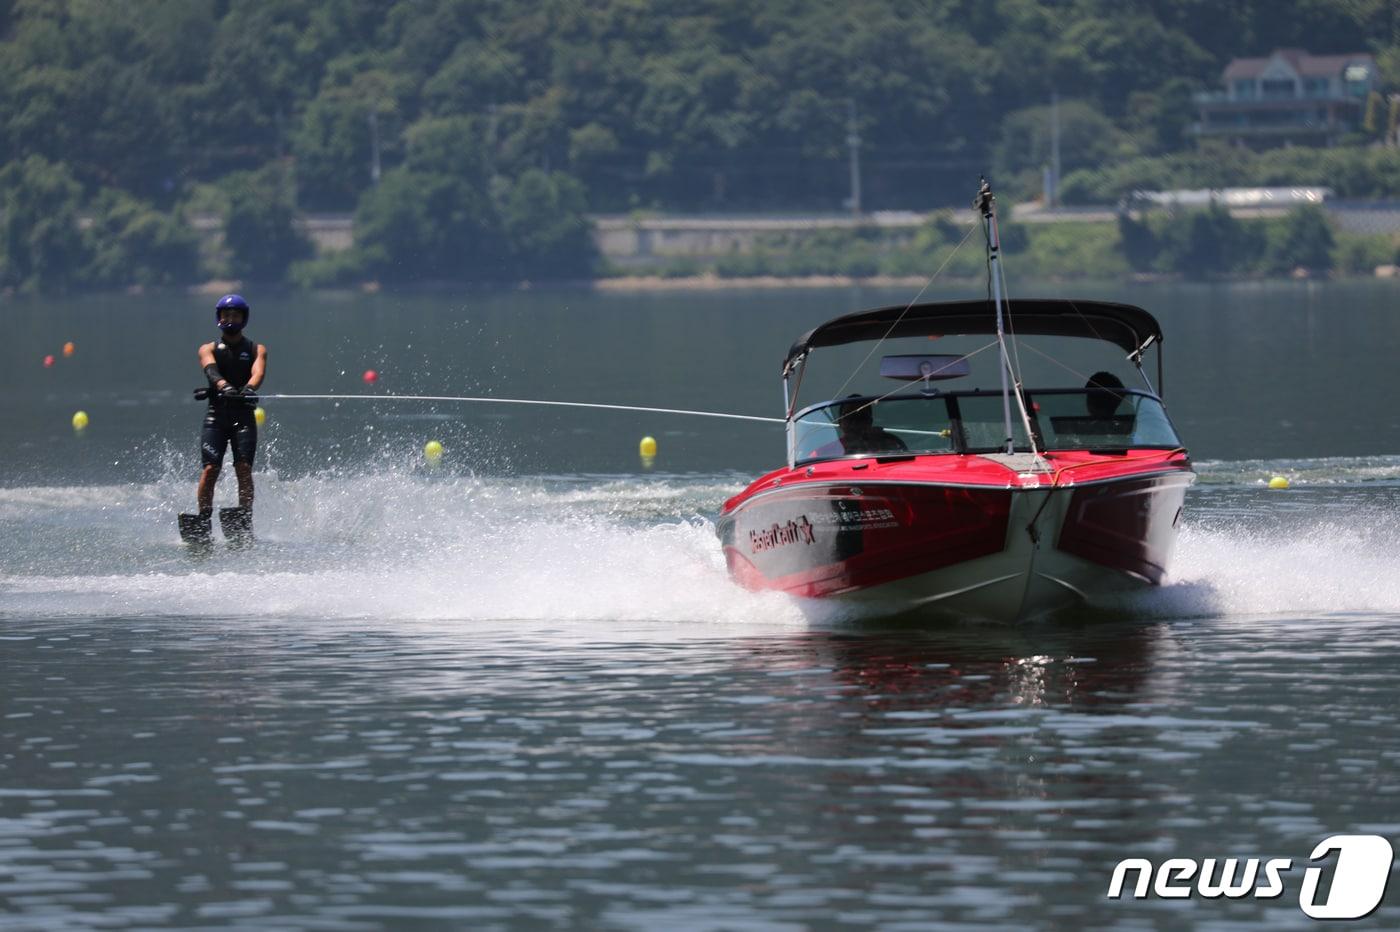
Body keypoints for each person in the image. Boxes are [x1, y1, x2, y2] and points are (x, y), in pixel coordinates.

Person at [194, 294, 267, 527]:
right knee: (210, 469)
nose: (230, 319)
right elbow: (211, 371)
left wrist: (248, 388)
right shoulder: (207, 349)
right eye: (226, 315)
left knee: (243, 468)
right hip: (216, 417)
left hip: (243, 417)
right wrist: (223, 386)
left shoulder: (256, 349)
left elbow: (258, 372)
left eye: (235, 315)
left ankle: (243, 516)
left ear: (243, 319)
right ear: (219, 317)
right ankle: (203, 519)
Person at [809, 395, 908, 458]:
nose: (855, 422)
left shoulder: (889, 444)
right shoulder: (821, 454)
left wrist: (883, 442)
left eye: (861, 417)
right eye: (849, 417)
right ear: (840, 422)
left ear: (869, 422)